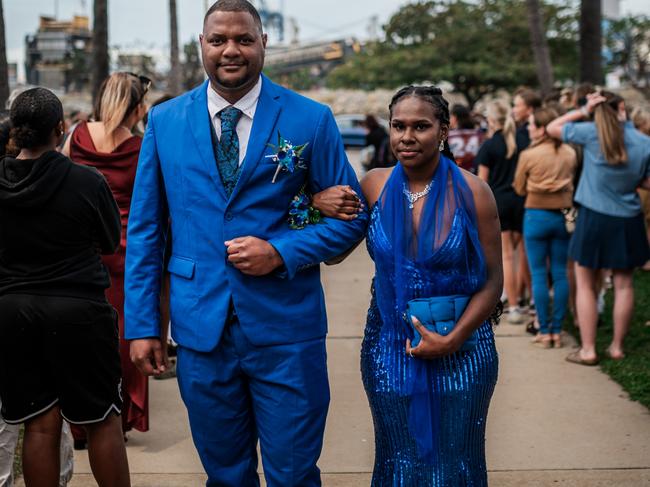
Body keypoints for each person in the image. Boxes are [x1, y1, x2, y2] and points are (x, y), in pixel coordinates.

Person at [123, 1, 367, 486]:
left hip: (286, 330)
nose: (230, 50)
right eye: (218, 40)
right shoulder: (166, 122)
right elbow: (147, 231)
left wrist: (281, 252)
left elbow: (349, 219)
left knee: (294, 474)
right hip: (200, 331)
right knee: (225, 475)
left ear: (263, 44)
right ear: (202, 46)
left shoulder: (311, 119)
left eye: (243, 39)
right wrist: (143, 325)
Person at [317, 85, 501, 485]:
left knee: (456, 462)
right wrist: (317, 203)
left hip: (463, 353)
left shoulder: (474, 192)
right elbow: (334, 253)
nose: (407, 136)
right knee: (399, 460)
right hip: (388, 349)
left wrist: (452, 340)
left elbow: (493, 282)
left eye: (421, 126)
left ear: (443, 130)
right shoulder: (374, 185)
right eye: (398, 126)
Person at [0, 88, 130, 486]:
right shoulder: (85, 181)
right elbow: (110, 241)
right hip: (78, 311)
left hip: (13, 311)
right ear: (60, 129)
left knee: (40, 424)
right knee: (102, 420)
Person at [62, 72, 151, 446]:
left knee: (82, 336)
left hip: (83, 251)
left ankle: (81, 421)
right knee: (124, 337)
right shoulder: (141, 145)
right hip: (127, 254)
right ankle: (119, 416)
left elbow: (59, 181)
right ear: (134, 107)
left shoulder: (77, 135)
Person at [547, 91, 650, 365]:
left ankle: (588, 350)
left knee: (584, 284)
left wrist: (583, 110)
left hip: (593, 217)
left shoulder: (589, 132)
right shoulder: (643, 142)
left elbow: (551, 127)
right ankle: (617, 347)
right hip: (628, 219)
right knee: (624, 283)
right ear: (622, 108)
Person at [513, 107, 577, 348]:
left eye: (531, 124)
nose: (528, 128)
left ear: (542, 128)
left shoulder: (529, 155)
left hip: (535, 216)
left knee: (539, 274)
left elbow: (519, 188)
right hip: (562, 216)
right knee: (560, 273)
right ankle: (558, 331)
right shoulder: (570, 152)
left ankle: (544, 330)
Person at [477, 100, 527, 323]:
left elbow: (481, 183)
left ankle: (514, 306)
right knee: (520, 254)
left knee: (506, 255)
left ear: (491, 119)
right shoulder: (523, 139)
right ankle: (522, 298)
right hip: (523, 199)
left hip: (499, 202)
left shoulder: (489, 145)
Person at [447, 103, 483, 173]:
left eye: (450, 116)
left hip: (454, 175)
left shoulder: (449, 136)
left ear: (455, 118)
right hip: (474, 175)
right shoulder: (478, 134)